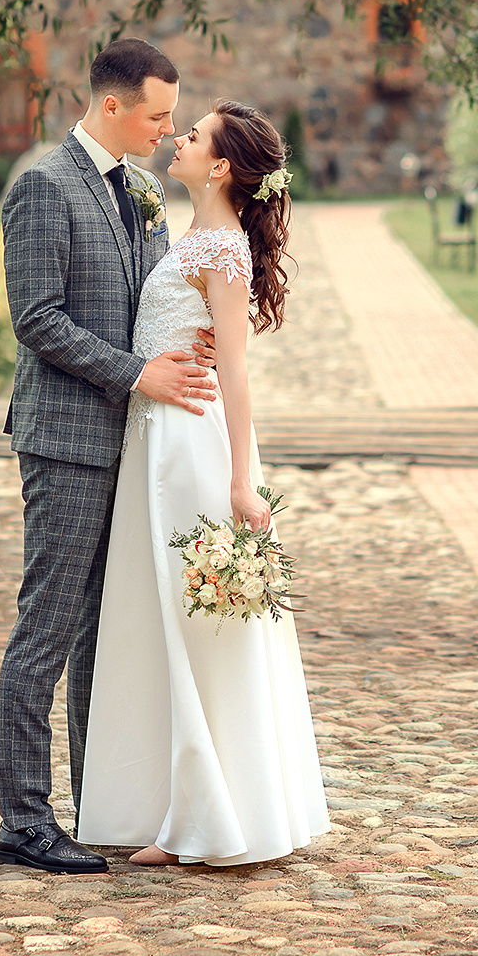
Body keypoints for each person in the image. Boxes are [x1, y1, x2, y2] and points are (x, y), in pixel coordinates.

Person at [76, 101, 331, 866]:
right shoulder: (188, 232)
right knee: (161, 617)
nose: (178, 137)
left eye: (193, 135)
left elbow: (236, 368)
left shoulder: (222, 249)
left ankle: (206, 813)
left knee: (195, 623)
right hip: (153, 438)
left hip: (190, 444)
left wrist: (242, 482)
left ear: (220, 166)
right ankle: (171, 802)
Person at [0, 38, 218, 876]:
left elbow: (153, 303)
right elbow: (38, 319)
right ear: (114, 106)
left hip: (130, 441)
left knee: (101, 632)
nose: (168, 129)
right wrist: (141, 375)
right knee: (46, 630)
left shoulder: (146, 191)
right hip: (66, 440)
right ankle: (23, 822)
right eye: (159, 115)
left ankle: (98, 804)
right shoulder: (43, 188)